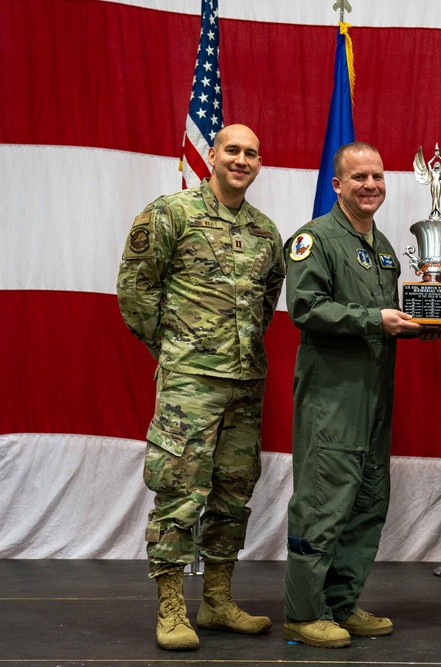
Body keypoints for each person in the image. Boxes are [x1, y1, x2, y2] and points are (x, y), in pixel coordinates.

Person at [116, 124, 284, 651]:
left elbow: (266, 301)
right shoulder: (171, 213)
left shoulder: (264, 231)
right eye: (232, 150)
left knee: (234, 490)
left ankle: (216, 599)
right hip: (190, 381)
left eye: (251, 153)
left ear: (259, 163)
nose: (241, 159)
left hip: (245, 381)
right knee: (180, 490)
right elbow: (135, 291)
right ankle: (170, 606)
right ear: (211, 155)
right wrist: (176, 350)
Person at [282, 142, 422, 649]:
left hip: (375, 395)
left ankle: (340, 602)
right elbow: (306, 307)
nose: (370, 185)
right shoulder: (314, 239)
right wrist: (373, 320)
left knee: (366, 502)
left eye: (378, 177)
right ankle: (303, 611)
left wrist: (428, 322)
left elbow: (389, 318)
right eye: (358, 177)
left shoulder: (382, 247)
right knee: (323, 503)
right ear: (337, 184)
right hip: (332, 398)